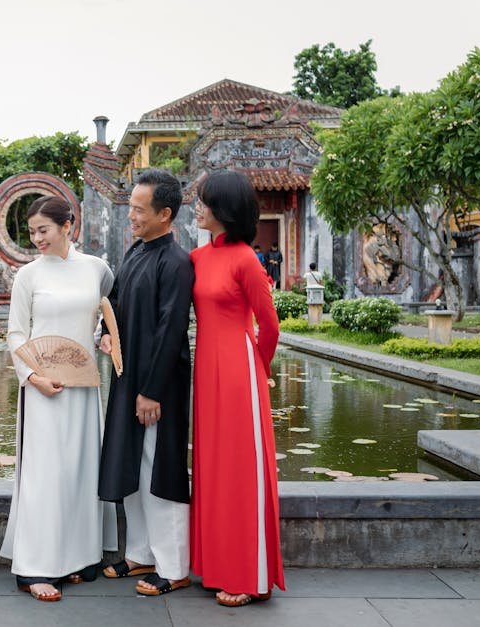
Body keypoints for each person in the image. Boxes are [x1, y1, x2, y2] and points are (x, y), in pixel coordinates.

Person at [1, 196, 118, 602]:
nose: (36, 239)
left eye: (43, 230)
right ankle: (36, 567)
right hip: (43, 388)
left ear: (68, 225)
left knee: (82, 470)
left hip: (84, 388)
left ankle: (78, 559)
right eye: (32, 232)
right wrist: (32, 376)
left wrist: (106, 337)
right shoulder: (28, 276)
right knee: (44, 476)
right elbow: (16, 333)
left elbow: (107, 315)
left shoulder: (97, 269)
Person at [190, 170, 285, 607]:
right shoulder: (196, 257)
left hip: (238, 372)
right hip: (206, 369)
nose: (197, 207)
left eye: (204, 201)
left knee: (241, 470)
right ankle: (216, 566)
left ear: (224, 210)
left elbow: (270, 324)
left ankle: (249, 575)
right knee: (211, 466)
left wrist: (257, 372)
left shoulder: (248, 258)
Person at [98, 169, 193, 597]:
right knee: (133, 465)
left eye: (139, 209)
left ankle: (173, 566)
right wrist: (105, 330)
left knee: (159, 470)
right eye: (131, 207)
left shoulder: (175, 263)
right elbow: (115, 303)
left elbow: (171, 331)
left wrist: (151, 391)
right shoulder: (137, 252)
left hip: (158, 385)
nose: (131, 216)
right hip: (127, 374)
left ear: (165, 214)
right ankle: (140, 553)